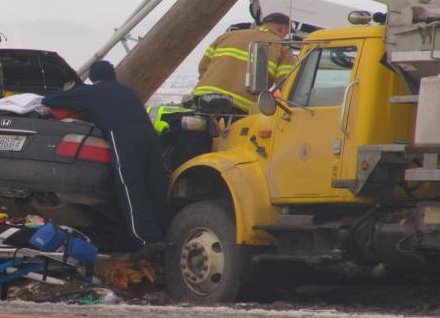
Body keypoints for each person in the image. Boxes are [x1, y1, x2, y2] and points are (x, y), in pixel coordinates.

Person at [42, 60, 168, 254]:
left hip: (125, 139)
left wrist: (66, 91)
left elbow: (50, 100)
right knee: (154, 186)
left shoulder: (93, 92)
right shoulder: (128, 92)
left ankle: (146, 241)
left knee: (131, 187)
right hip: (151, 139)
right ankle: (163, 235)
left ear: (94, 78)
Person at [192, 13, 297, 114]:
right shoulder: (282, 46)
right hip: (240, 106)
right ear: (282, 28)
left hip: (202, 98)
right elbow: (285, 82)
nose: (285, 36)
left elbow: (203, 67)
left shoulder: (227, 36)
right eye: (287, 32)